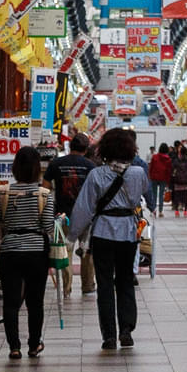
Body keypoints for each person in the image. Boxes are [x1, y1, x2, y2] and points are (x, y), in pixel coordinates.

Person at [76, 128, 149, 351]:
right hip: (128, 231)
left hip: (103, 233)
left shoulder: (96, 175)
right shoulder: (137, 173)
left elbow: (84, 208)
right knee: (126, 280)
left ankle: (109, 335)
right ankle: (126, 330)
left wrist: (73, 236)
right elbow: (143, 195)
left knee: (105, 283)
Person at [0, 145, 57, 359]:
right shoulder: (45, 195)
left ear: (15, 168)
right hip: (36, 251)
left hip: (9, 251)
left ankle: (14, 347)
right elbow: (48, 225)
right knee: (35, 301)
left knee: (10, 301)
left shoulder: (2, 193)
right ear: (38, 169)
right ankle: (34, 344)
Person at [51, 133, 97, 293]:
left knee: (64, 252)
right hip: (86, 217)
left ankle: (66, 288)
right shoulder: (91, 166)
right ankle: (87, 285)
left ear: (70, 146)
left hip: (63, 217)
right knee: (87, 252)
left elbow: (44, 187)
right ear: (85, 149)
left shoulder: (56, 163)